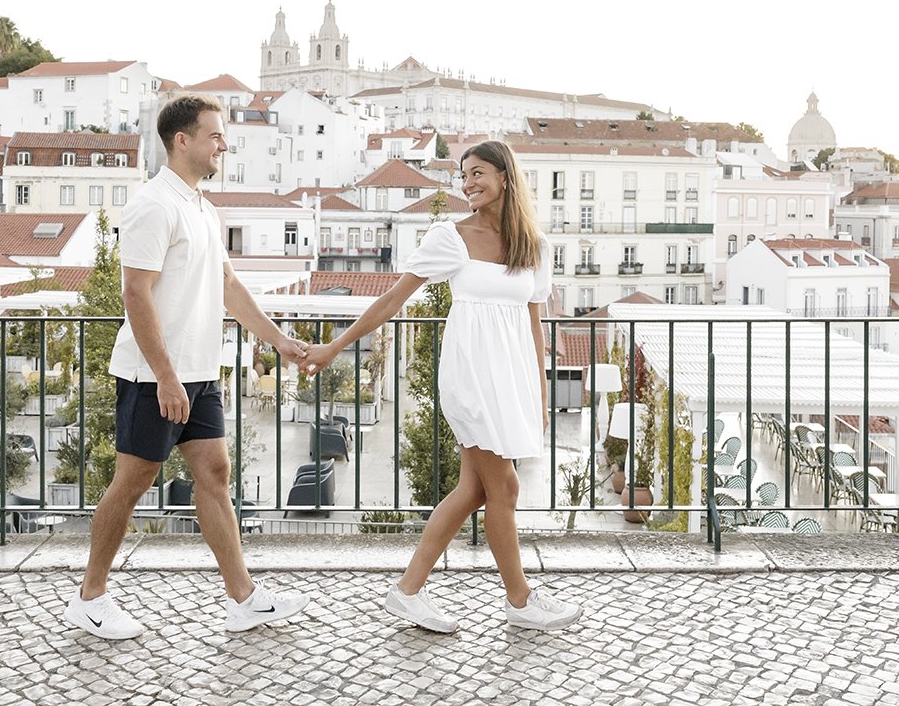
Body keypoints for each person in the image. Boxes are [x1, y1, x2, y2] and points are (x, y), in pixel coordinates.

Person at [301, 140, 581, 632]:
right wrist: (332, 346)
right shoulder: (451, 236)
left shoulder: (532, 245)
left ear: (505, 177)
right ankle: (520, 601)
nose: (468, 183)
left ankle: (408, 590)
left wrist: (539, 392)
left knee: (474, 489)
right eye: (463, 175)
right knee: (505, 486)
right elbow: (393, 299)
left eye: (477, 173)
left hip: (510, 377)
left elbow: (536, 323)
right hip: (472, 375)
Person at [65, 93, 312, 639]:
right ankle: (90, 596)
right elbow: (135, 292)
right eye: (215, 135)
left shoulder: (202, 205)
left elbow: (227, 286)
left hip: (201, 373)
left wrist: (278, 340)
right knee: (133, 481)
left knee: (215, 475)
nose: (223, 143)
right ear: (183, 141)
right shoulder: (154, 205)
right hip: (153, 376)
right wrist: (167, 376)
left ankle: (243, 597)